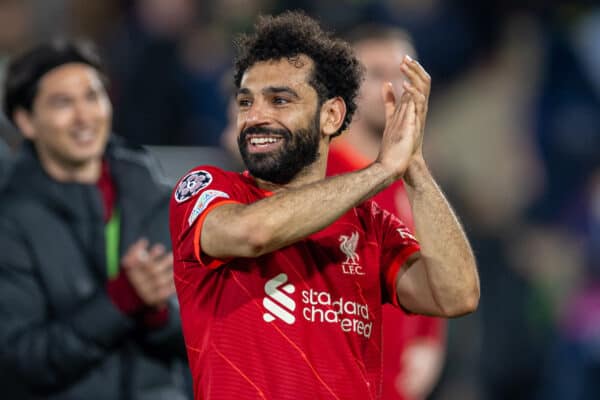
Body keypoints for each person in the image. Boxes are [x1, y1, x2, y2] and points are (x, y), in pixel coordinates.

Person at [169, 11, 479, 400]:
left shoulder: (371, 225)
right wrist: (383, 169)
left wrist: (414, 166)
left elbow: (455, 295)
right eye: (246, 101)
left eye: (279, 100)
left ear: (331, 115)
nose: (255, 116)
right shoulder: (207, 189)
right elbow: (252, 233)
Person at [0, 39, 191, 399]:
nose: (85, 116)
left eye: (93, 96)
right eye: (63, 103)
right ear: (26, 121)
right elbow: (17, 362)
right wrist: (120, 303)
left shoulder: (157, 196)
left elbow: (205, 338)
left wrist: (157, 315)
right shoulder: (10, 217)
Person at [326, 26, 447, 400]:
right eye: (377, 74)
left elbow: (432, 263)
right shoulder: (316, 173)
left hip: (393, 385)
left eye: (404, 74)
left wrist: (430, 337)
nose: (393, 86)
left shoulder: (414, 176)